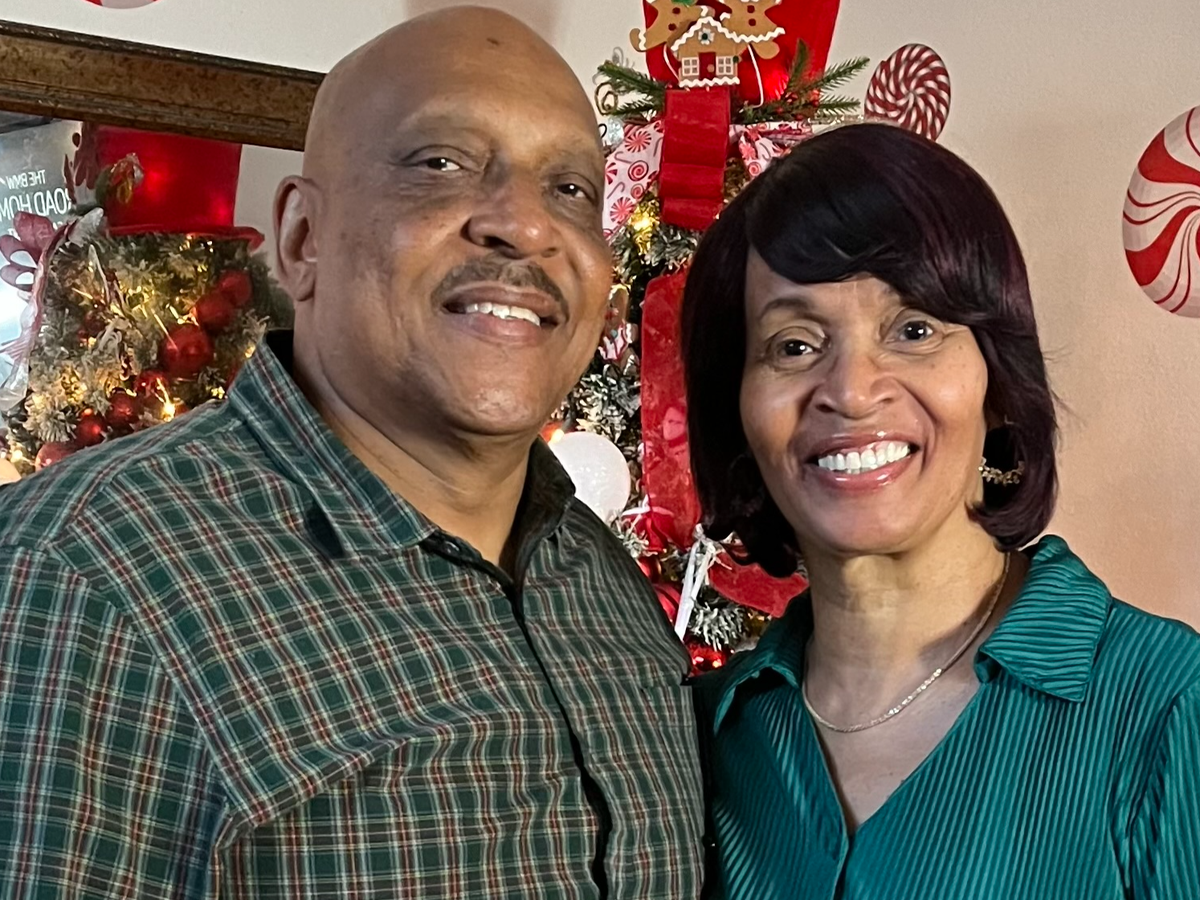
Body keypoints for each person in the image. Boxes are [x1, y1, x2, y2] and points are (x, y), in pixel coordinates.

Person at [0, 8, 705, 898]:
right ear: (304, 238)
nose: (526, 227)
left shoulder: (597, 576)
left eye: (570, 188)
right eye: (441, 164)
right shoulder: (79, 573)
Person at [681, 122, 1200, 899]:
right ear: (739, 411)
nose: (852, 391)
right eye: (793, 345)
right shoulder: (707, 734)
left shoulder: (1164, 702)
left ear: (998, 384)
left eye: (914, 330)